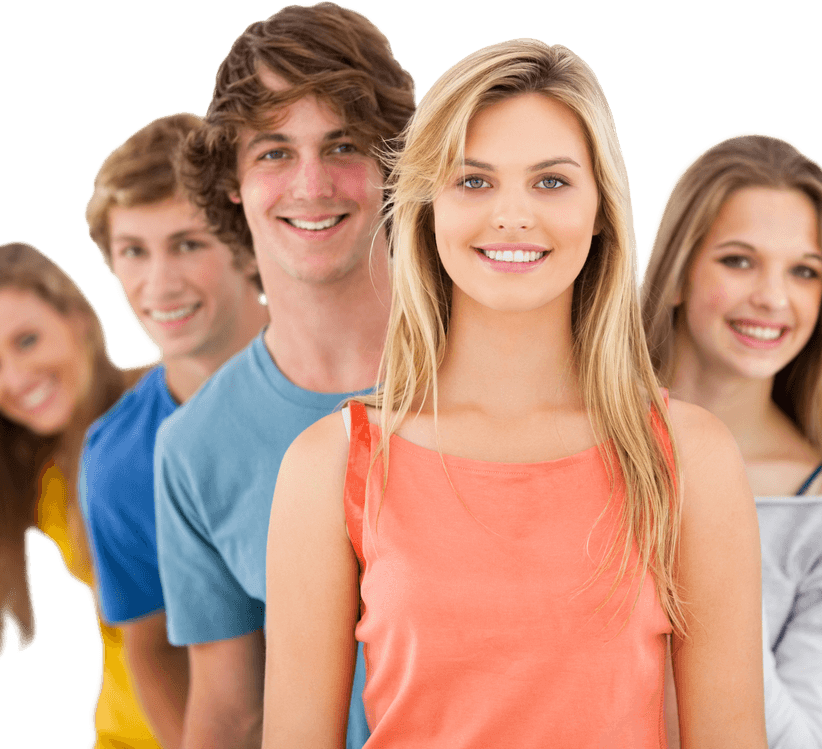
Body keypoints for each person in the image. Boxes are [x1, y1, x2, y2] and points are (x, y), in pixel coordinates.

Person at [263, 39, 766, 749]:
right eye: (473, 181)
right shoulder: (331, 464)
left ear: (599, 210)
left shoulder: (690, 456)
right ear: (428, 207)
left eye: (551, 182)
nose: (512, 214)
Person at [152, 4, 415, 748]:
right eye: (273, 152)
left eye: (343, 145)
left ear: (393, 162)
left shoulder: (505, 367)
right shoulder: (195, 450)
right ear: (232, 180)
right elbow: (231, 713)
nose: (311, 184)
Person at [640, 132, 822, 749]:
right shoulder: (574, 435)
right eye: (738, 260)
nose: (773, 299)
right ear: (678, 273)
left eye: (804, 272)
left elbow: (803, 743)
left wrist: (711, 560)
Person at [0, 240, 160, 748]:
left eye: (26, 340)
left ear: (78, 318)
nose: (15, 379)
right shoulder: (45, 476)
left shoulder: (168, 407)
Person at [79, 111, 270, 749]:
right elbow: (155, 647)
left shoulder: (351, 384)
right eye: (134, 250)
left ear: (246, 246)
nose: (158, 285)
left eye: (188, 244)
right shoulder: (118, 458)